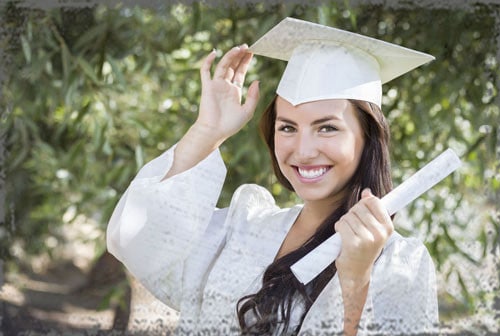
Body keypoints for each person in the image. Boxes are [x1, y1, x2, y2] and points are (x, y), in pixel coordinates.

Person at [107, 17, 439, 335]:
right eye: (287, 128)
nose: (304, 150)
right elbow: (138, 242)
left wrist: (356, 281)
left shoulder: (402, 266)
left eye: (327, 128)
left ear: (368, 138)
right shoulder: (245, 227)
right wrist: (207, 131)